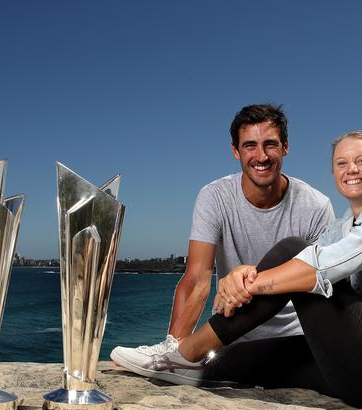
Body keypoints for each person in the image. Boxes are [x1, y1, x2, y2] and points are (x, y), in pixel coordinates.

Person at [116, 130, 362, 409]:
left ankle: (183, 352)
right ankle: (184, 367)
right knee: (235, 361)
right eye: (341, 163)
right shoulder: (343, 228)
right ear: (333, 173)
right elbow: (305, 264)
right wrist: (243, 273)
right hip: (354, 372)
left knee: (293, 249)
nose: (352, 170)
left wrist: (248, 286)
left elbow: (321, 267)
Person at [111, 104, 334, 377]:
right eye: (250, 145)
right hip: (232, 334)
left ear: (285, 147)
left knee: (292, 252)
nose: (261, 156)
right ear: (235, 151)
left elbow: (320, 282)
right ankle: (179, 361)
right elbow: (197, 279)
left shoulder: (316, 206)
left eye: (270, 145)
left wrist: (246, 278)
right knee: (219, 367)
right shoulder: (215, 197)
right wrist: (172, 349)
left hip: (293, 337)